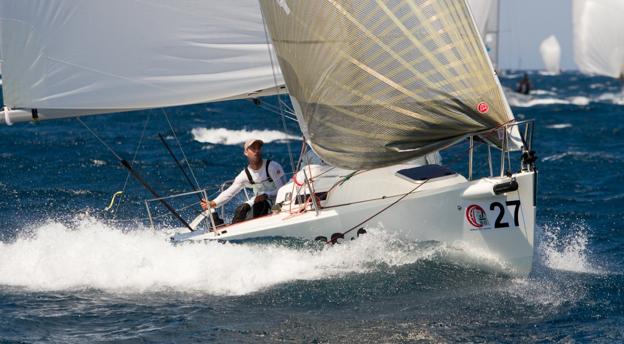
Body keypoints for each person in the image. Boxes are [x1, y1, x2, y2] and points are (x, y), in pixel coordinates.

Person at [201, 139, 286, 224]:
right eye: (253, 148)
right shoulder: (245, 175)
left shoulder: (272, 167)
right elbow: (229, 193)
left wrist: (266, 195)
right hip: (261, 201)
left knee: (259, 206)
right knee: (241, 209)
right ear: (246, 152)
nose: (256, 151)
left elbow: (282, 190)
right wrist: (213, 203)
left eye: (258, 148)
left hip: (282, 202)